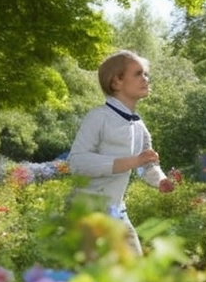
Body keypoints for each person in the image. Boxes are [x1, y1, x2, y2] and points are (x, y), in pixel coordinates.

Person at [68, 50, 174, 256]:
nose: (146, 79)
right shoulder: (98, 117)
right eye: (138, 74)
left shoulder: (140, 126)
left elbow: (148, 165)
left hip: (116, 211)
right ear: (116, 82)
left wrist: (160, 180)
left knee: (134, 273)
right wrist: (133, 161)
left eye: (146, 74)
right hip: (88, 213)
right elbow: (78, 162)